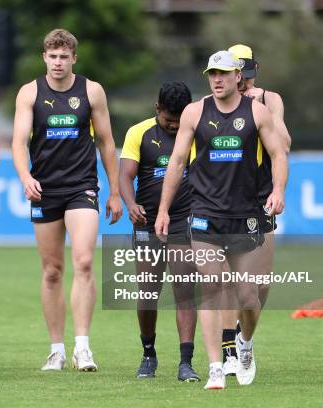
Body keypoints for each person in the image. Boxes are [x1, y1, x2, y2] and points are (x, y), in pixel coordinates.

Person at [155, 50, 288, 389]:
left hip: (246, 216)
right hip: (204, 216)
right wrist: (164, 209)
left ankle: (244, 342)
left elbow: (277, 153)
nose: (217, 79)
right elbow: (177, 162)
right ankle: (216, 366)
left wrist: (279, 190)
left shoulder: (257, 112)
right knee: (212, 287)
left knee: (248, 296)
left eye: (223, 74)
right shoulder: (194, 112)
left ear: (237, 76)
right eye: (212, 74)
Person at [12, 28, 123, 372]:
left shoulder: (91, 91)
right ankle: (56, 350)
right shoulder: (30, 93)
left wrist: (115, 190)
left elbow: (106, 142)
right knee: (52, 271)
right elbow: (17, 142)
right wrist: (26, 177)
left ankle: (83, 347)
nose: (58, 62)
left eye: (64, 57)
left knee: (85, 262)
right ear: (43, 57)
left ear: (74, 58)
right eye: (52, 56)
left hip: (82, 187)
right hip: (45, 189)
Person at [219, 44, 292, 376]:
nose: (243, 83)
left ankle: (243, 336)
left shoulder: (267, 100)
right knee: (233, 282)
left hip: (260, 199)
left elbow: (285, 145)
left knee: (260, 286)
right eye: (239, 77)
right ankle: (230, 347)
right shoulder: (218, 103)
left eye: (247, 77)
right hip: (226, 201)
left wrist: (255, 116)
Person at [119, 82, 199, 382]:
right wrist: (130, 203)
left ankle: (186, 362)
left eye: (180, 120)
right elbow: (125, 175)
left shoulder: (197, 132)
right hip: (147, 223)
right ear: (157, 110)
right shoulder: (138, 133)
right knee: (148, 294)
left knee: (183, 290)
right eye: (169, 119)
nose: (175, 125)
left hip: (184, 221)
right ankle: (148, 353)